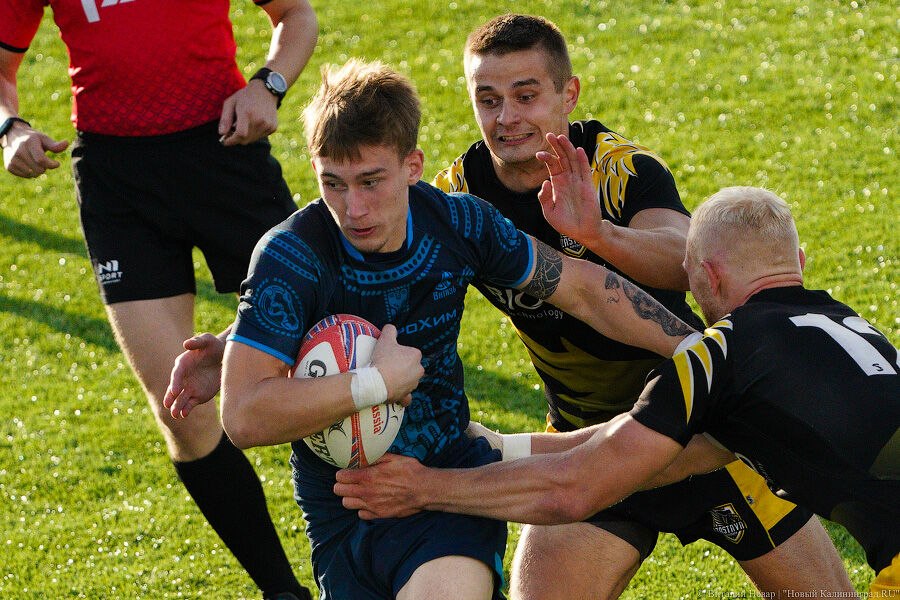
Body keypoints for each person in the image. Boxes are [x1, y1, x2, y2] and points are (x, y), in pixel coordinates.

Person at [215, 58, 697, 600]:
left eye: (371, 181)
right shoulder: (291, 255)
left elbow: (585, 290)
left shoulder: (460, 223)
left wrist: (701, 350)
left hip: (447, 494)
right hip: (344, 507)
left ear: (412, 165)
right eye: (333, 183)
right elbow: (243, 417)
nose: (353, 208)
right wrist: (374, 383)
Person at [430, 14, 851, 599]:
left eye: (526, 96)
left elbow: (684, 256)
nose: (506, 118)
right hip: (586, 442)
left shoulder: (621, 170)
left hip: (705, 432)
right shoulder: (458, 198)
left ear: (568, 94)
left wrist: (599, 234)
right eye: (488, 99)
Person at [335, 185, 900, 596]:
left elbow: (574, 489)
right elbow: (684, 457)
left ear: (706, 276)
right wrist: (497, 447)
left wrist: (425, 488)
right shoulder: (858, 331)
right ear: (797, 262)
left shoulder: (720, 356)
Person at [0, 2, 318, 598]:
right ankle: (283, 592)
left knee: (327, 354)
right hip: (116, 182)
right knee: (182, 412)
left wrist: (267, 86)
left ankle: (388, 559)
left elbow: (295, 14)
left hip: (223, 149)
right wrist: (8, 127)